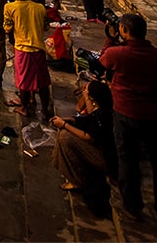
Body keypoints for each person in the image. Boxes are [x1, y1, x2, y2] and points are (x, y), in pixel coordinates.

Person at [99, 13, 157, 225]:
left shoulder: (118, 54)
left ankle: (133, 206)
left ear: (124, 31)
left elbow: (103, 60)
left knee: (128, 159)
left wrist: (110, 37)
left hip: (126, 114)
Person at [50, 79, 117, 216]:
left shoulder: (103, 115)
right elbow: (89, 116)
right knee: (65, 134)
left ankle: (76, 181)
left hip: (105, 159)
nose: (84, 91)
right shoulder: (101, 109)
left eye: (86, 90)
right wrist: (71, 120)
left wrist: (64, 125)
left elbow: (89, 137)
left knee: (65, 137)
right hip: (103, 153)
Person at [3, 0, 54, 120]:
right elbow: (45, 27)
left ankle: (24, 107)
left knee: (23, 82)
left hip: (22, 49)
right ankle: (44, 110)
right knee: (43, 82)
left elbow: (7, 28)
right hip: (38, 49)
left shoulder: (10, 8)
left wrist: (12, 38)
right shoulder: (40, 8)